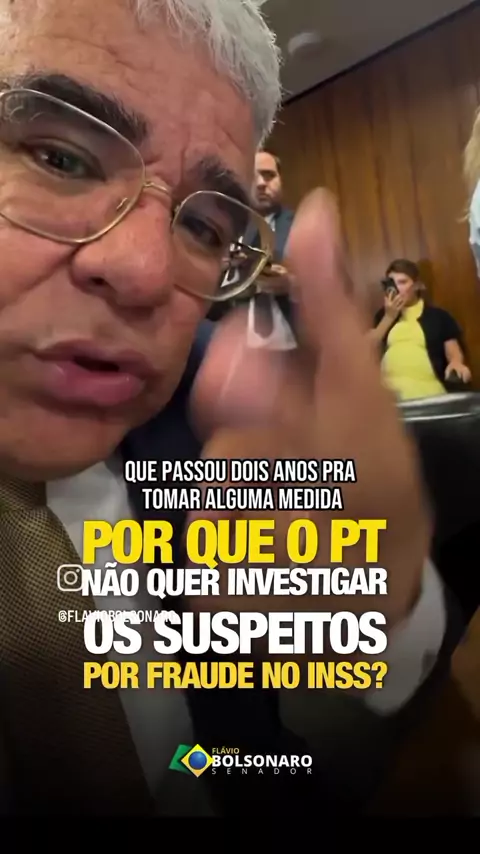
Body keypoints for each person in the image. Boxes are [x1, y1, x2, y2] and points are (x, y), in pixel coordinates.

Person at [0, 0, 457, 817]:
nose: (146, 269)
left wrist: (378, 595)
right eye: (62, 159)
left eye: (206, 228)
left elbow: (397, 664)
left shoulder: (226, 407)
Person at [207, 149, 296, 347]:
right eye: (254, 177)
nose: (262, 183)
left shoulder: (301, 227)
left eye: (269, 175)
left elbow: (327, 292)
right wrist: (218, 271)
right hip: (227, 340)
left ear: (281, 180)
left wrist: (291, 286)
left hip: (286, 340)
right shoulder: (226, 231)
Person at [371, 259, 471, 401]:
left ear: (417, 285)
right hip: (389, 398)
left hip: (428, 395)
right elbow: (366, 350)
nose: (396, 288)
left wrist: (456, 363)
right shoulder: (382, 315)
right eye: (391, 283)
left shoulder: (438, 316)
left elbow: (453, 351)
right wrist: (389, 317)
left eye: (402, 282)